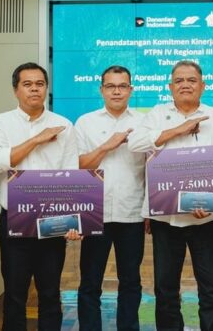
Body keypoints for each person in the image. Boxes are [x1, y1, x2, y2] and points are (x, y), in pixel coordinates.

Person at [128, 60, 213, 331]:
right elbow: (134, 144)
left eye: (192, 80)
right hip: (166, 218)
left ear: (203, 86)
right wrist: (178, 130)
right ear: (170, 87)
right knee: (165, 289)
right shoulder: (157, 114)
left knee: (211, 288)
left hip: (204, 217)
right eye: (179, 80)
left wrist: (208, 202)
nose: (185, 85)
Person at [0, 62, 80, 331]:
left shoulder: (63, 125)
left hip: (53, 220)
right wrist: (37, 139)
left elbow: (71, 174)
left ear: (46, 88)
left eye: (40, 84)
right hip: (15, 220)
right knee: (15, 293)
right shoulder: (0, 123)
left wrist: (74, 221)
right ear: (16, 90)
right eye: (27, 84)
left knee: (50, 292)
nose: (34, 89)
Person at [75, 65, 146, 331]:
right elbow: (79, 166)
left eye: (122, 86)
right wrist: (107, 145)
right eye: (111, 86)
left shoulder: (144, 123)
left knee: (130, 281)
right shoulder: (85, 122)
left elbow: (153, 168)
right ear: (101, 90)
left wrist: (151, 210)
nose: (117, 91)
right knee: (90, 282)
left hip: (132, 213)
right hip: (95, 214)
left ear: (131, 90)